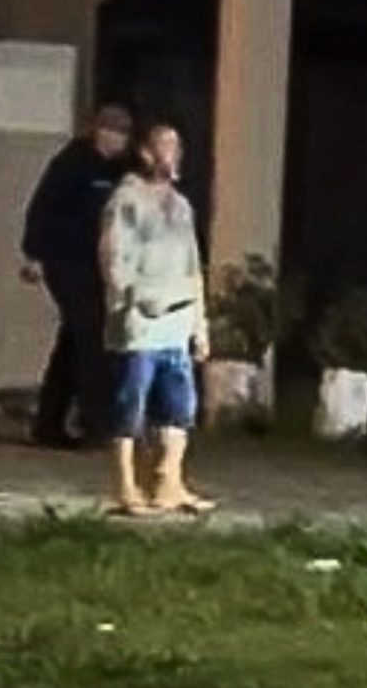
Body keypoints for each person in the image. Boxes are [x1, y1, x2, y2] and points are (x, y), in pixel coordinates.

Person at [98, 123, 214, 514]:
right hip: (141, 325)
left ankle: (169, 483)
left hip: (177, 323)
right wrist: (133, 301)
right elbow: (113, 259)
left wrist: (199, 324)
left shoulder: (181, 206)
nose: (173, 155)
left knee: (179, 408)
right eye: (165, 147)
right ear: (146, 153)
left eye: (176, 147)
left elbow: (193, 266)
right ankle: (126, 487)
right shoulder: (126, 201)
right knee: (130, 405)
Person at [20, 104, 133, 448]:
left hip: (97, 265)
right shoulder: (72, 163)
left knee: (74, 339)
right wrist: (34, 254)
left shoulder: (120, 171)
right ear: (99, 131)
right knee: (90, 335)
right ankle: (95, 421)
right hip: (66, 262)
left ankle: (49, 422)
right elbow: (43, 208)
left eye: (123, 134)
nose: (117, 140)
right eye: (112, 132)